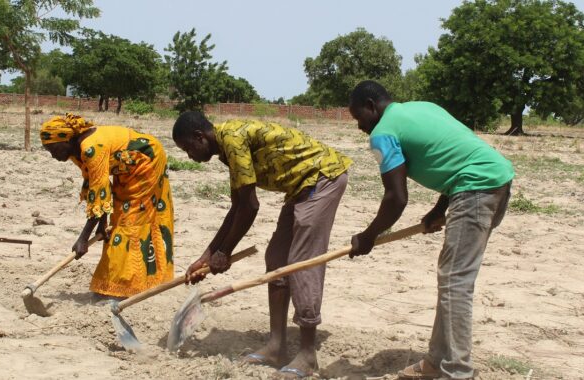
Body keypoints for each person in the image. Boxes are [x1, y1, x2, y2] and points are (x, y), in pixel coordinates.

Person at [347, 81, 514, 380]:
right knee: (452, 278)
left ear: (371, 105)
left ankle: (458, 372)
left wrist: (368, 236)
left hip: (475, 188)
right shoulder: (422, 107)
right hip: (496, 180)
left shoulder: (383, 133)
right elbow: (457, 153)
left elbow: (396, 198)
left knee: (455, 282)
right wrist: (439, 209)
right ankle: (437, 363)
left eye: (359, 117)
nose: (360, 127)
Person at [173, 111, 352, 378]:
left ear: (200, 137)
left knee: (302, 264)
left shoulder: (232, 139)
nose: (189, 156)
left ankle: (307, 354)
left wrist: (225, 253)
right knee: (277, 260)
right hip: (298, 187)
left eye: (188, 148)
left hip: (322, 178)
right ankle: (276, 346)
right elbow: (237, 206)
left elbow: (250, 206)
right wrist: (208, 255)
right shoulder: (226, 146)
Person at [40, 113, 174, 298]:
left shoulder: (90, 148)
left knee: (130, 221)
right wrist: (102, 224)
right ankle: (121, 283)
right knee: (118, 220)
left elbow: (99, 195)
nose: (53, 155)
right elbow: (100, 189)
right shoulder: (76, 152)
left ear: (66, 140)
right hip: (126, 168)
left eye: (53, 149)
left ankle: (126, 286)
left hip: (146, 162)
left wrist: (83, 239)